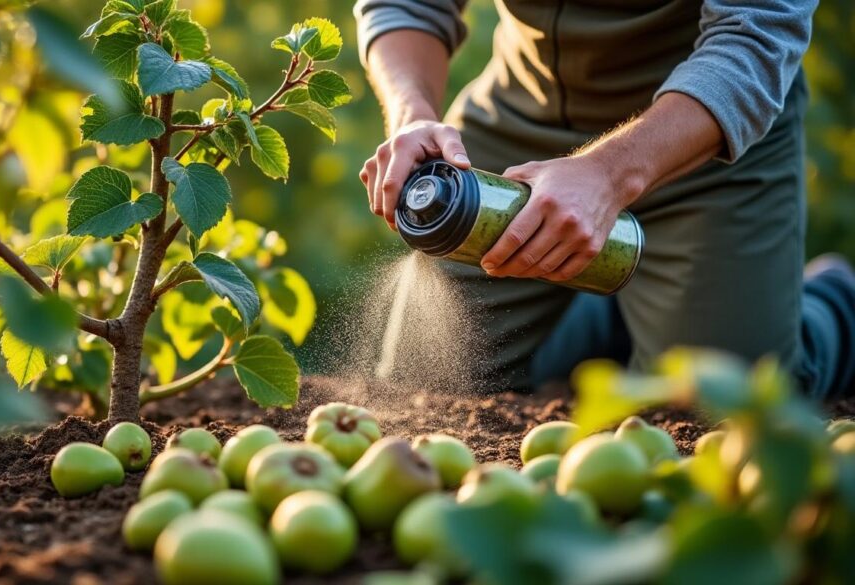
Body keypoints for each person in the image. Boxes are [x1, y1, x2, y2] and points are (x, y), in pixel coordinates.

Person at [354, 0, 855, 398]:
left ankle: (837, 308)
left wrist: (608, 174)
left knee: (720, 406)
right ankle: (614, 310)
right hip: (522, 124)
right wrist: (411, 115)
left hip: (706, 134)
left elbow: (756, 37)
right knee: (429, 388)